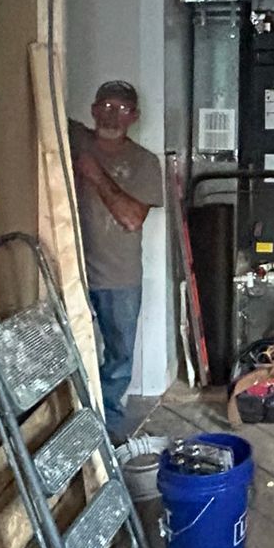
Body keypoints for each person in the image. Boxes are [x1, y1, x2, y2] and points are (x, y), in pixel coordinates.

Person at [71, 80, 163, 437]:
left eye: (121, 109)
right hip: (69, 272)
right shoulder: (75, 139)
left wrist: (96, 176)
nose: (111, 115)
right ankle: (76, 427)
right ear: (93, 110)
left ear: (134, 116)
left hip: (118, 278)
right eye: (105, 106)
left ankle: (106, 433)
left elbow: (130, 218)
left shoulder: (143, 162)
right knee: (71, 354)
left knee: (118, 359)